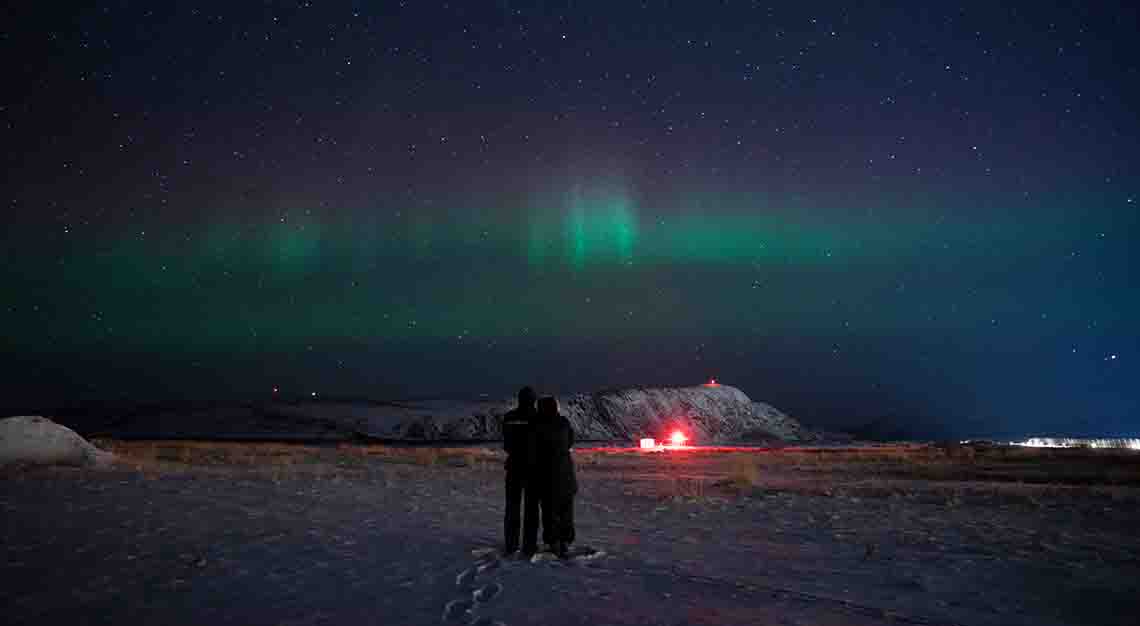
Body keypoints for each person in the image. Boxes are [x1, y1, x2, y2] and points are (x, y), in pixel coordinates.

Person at [534, 395, 577, 558]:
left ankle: (554, 543)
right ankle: (565, 541)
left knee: (550, 512)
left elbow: (533, 449)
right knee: (566, 511)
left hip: (547, 477)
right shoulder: (564, 422)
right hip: (566, 476)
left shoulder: (539, 425)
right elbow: (570, 441)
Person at [501, 386, 539, 555]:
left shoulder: (509, 417)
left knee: (512, 508)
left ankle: (511, 544)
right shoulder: (539, 418)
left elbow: (506, 444)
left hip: (514, 467)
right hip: (533, 470)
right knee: (531, 509)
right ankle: (529, 546)